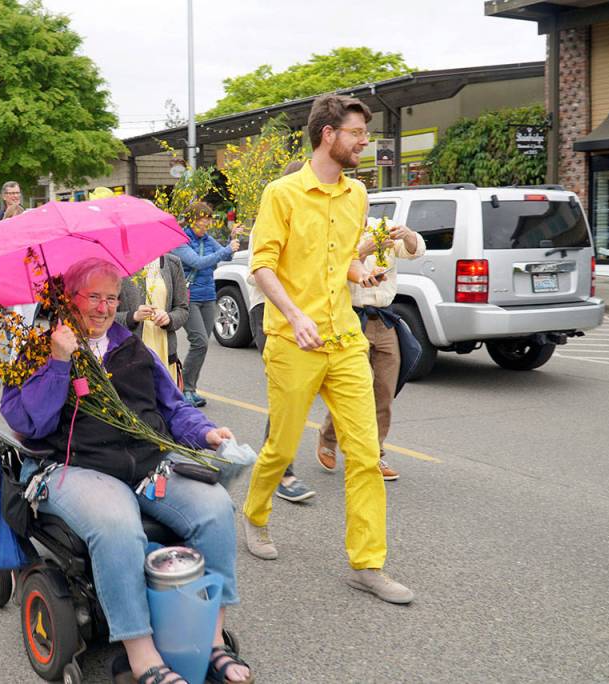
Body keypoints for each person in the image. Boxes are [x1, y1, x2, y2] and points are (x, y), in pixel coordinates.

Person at [1, 257, 252, 684]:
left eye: (112, 298)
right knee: (117, 525)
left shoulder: (133, 349)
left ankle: (211, 641)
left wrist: (206, 433)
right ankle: (141, 656)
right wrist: (59, 363)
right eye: (93, 297)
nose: (104, 308)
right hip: (75, 467)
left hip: (147, 464)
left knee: (214, 508)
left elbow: (173, 408)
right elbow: (30, 424)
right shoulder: (36, 351)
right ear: (69, 299)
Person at [240, 94, 413, 604]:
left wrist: (362, 273)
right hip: (292, 339)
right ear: (328, 134)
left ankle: (367, 563)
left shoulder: (357, 193)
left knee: (366, 453)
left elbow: (343, 259)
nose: (364, 143)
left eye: (365, 134)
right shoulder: (282, 193)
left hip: (345, 339)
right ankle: (254, 514)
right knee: (282, 446)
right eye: (357, 133)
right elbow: (262, 265)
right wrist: (295, 316)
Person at [316, 215, 425, 482]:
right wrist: (362, 251)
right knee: (352, 388)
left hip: (384, 318)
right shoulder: (335, 229)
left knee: (384, 390)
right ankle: (328, 438)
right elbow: (329, 269)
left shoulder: (382, 227)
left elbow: (415, 250)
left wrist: (407, 234)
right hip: (352, 318)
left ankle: (375, 453)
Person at [246, 160, 317, 504]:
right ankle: (279, 471)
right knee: (287, 391)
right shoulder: (273, 216)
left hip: (306, 315)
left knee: (299, 392)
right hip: (269, 313)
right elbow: (259, 271)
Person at [171, 201, 240, 407]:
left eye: (209, 219)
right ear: (192, 220)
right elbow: (197, 262)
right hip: (188, 298)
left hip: (208, 296)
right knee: (199, 341)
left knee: (202, 345)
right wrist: (225, 249)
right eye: (203, 219)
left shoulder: (208, 239)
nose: (207, 223)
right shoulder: (180, 241)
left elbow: (227, 256)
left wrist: (233, 239)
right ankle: (185, 389)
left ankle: (190, 388)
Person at [115, 253, 189, 374]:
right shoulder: (120, 264)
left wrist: (169, 318)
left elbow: (182, 309)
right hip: (131, 354)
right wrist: (132, 317)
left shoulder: (172, 263)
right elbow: (106, 315)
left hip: (164, 352)